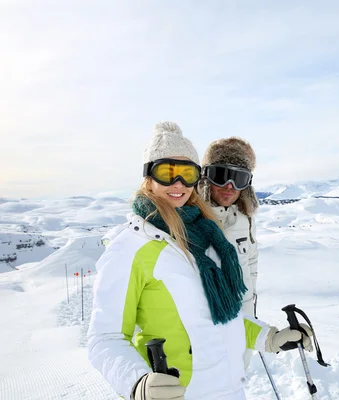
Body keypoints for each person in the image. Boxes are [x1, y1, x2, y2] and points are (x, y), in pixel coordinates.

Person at [87, 122, 312, 400]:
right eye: (167, 172)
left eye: (187, 173)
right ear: (148, 176)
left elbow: (220, 317)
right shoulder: (132, 246)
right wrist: (137, 382)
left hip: (229, 390)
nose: (178, 184)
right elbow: (105, 339)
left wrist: (269, 338)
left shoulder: (208, 237)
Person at [197, 137, 259, 369]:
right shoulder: (190, 219)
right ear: (206, 178)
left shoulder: (246, 219)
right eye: (221, 175)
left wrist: (251, 301)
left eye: (240, 178)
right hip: (205, 321)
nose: (230, 185)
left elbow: (251, 260)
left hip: (243, 314)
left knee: (237, 374)